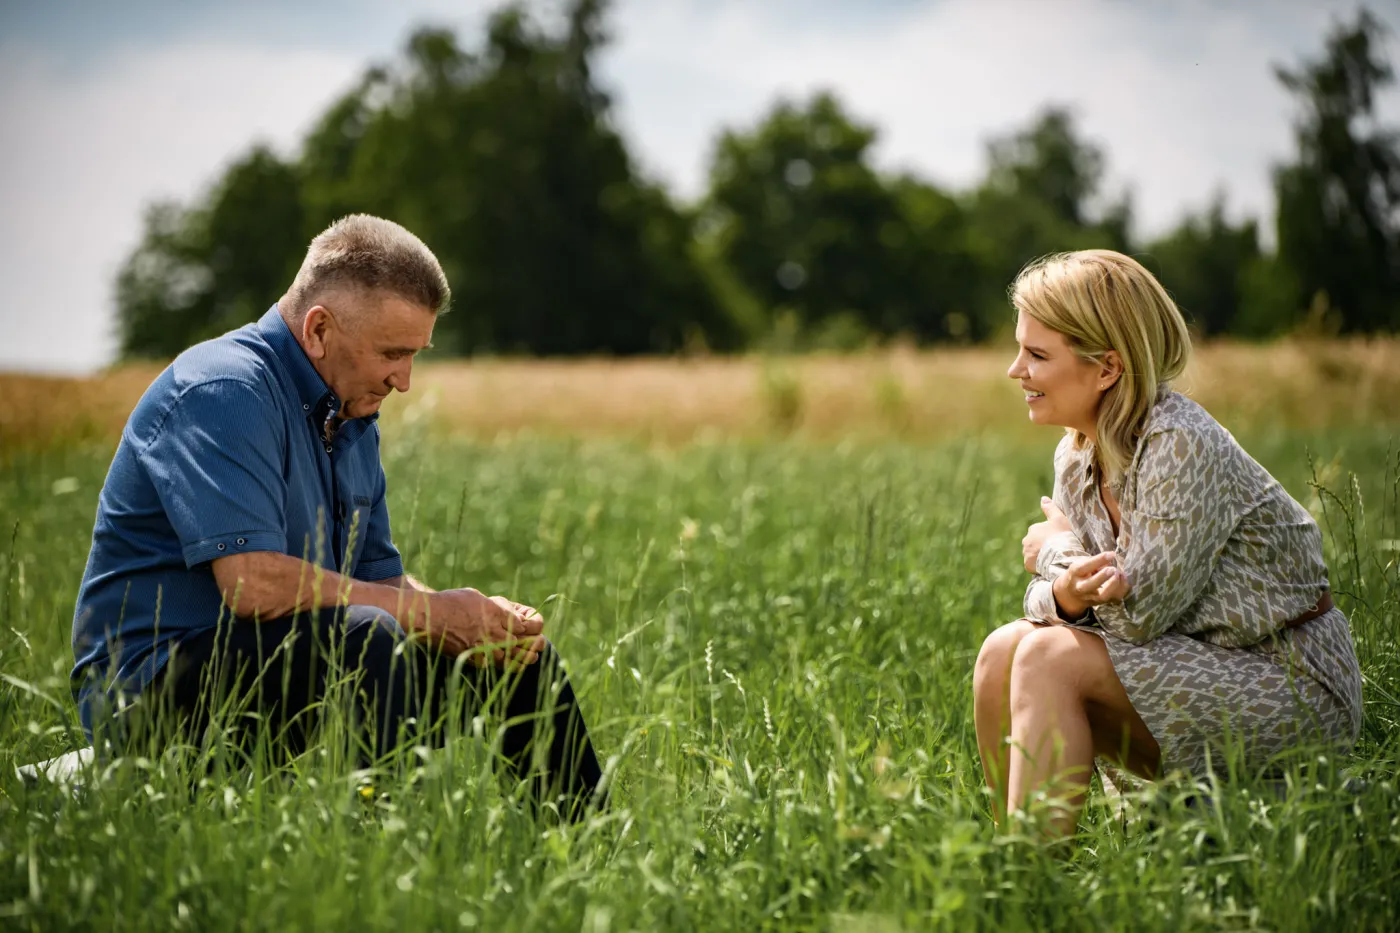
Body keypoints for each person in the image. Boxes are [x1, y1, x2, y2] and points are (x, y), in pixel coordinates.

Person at [71, 214, 604, 816]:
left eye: (414, 356)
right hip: (146, 697)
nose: (404, 381)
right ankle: (384, 865)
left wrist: (474, 619)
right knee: (370, 637)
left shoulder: (348, 413)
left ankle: (593, 855)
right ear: (320, 329)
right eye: (392, 353)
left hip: (287, 660)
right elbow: (252, 585)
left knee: (516, 658)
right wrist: (432, 613)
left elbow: (382, 585)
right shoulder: (222, 390)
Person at [973, 249, 1362, 838]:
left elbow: (1135, 614)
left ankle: (1035, 877)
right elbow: (1055, 604)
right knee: (1003, 650)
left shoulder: (1179, 443)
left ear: (1106, 368)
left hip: (1287, 679)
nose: (1015, 370)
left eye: (1036, 354)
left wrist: (1057, 557)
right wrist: (1065, 589)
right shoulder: (1076, 451)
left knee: (1046, 656)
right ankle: (1018, 871)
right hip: (1198, 666)